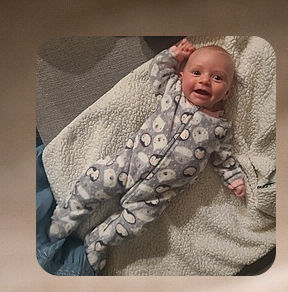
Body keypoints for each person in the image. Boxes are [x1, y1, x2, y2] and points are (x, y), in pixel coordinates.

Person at [48, 38, 245, 272]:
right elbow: (158, 70)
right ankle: (68, 213)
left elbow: (225, 158)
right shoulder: (172, 91)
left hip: (156, 195)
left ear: (228, 91)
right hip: (128, 163)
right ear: (182, 76)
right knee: (95, 177)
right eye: (196, 72)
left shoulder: (220, 129)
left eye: (217, 77)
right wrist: (173, 54)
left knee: (136, 225)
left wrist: (234, 178)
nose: (204, 80)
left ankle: (98, 243)